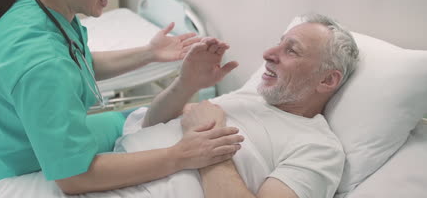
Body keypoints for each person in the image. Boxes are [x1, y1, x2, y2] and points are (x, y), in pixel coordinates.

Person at [0, 0, 243, 195]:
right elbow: (75, 178)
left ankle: (183, 87)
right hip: (15, 165)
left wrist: (149, 53)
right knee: (139, 123)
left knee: (134, 119)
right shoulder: (43, 63)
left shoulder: (34, 4)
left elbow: (78, 61)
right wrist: (183, 155)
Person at [109, 14, 359, 198]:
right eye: (279, 43)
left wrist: (209, 139)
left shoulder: (319, 148)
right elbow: (151, 124)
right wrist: (186, 84)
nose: (268, 53)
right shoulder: (249, 98)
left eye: (291, 51)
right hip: (106, 176)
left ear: (327, 79)